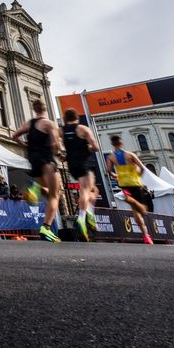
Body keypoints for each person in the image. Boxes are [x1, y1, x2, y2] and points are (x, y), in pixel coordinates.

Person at [11, 100, 63, 243]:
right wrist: (59, 154)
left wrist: (26, 145)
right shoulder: (49, 124)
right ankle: (46, 227)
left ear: (34, 109)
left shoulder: (30, 123)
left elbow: (14, 136)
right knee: (55, 195)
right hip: (46, 160)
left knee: (46, 189)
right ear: (45, 109)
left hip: (33, 159)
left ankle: (35, 189)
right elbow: (55, 144)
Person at [105, 134, 153, 245]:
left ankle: (146, 236)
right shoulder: (130, 155)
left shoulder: (111, 157)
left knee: (134, 209)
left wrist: (116, 175)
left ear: (112, 144)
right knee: (140, 211)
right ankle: (146, 236)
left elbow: (108, 171)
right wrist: (138, 176)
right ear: (121, 143)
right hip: (135, 184)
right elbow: (142, 168)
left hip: (124, 184)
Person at [61, 108, 100, 240]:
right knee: (85, 191)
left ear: (65, 118)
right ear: (76, 117)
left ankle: (89, 212)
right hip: (85, 162)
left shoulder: (62, 131)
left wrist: (64, 156)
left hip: (72, 164)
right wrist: (85, 148)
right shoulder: (82, 129)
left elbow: (54, 144)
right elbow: (95, 146)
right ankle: (82, 217)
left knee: (94, 190)